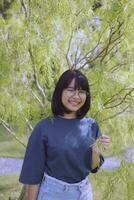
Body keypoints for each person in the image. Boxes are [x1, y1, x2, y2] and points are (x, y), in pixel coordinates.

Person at [19, 69, 110, 200]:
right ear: (60, 92)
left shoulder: (92, 125)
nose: (76, 96)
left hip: (83, 193)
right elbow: (33, 174)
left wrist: (96, 151)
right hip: (53, 194)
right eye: (71, 90)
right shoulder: (44, 127)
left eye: (82, 92)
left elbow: (93, 168)